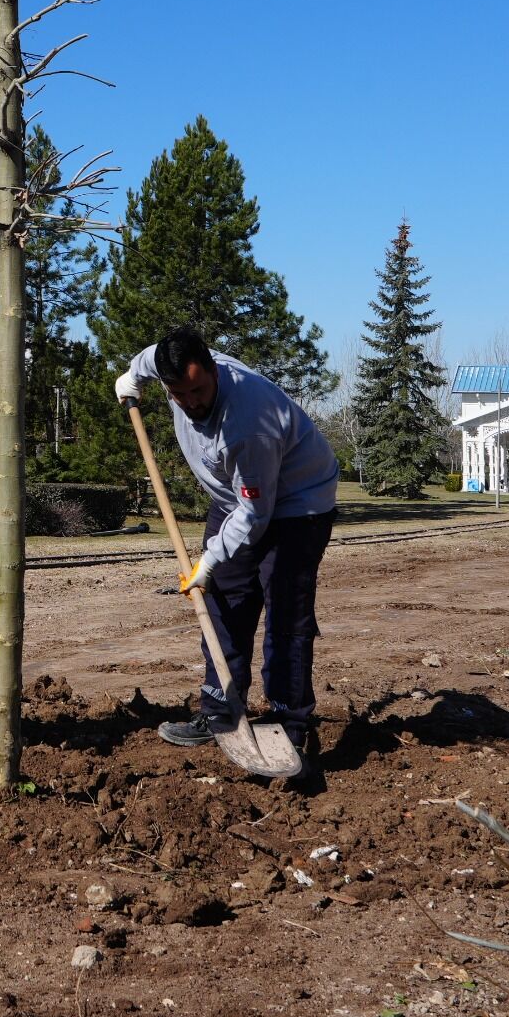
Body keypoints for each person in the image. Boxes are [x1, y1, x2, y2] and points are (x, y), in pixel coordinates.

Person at [116, 323, 338, 772]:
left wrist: (211, 558)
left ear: (214, 369)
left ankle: (289, 722)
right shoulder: (171, 369)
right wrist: (131, 379)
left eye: (198, 390)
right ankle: (220, 711)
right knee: (221, 602)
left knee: (285, 612)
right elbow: (147, 359)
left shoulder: (248, 425)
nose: (191, 402)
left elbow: (256, 514)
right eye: (179, 394)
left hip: (298, 504)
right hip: (234, 501)